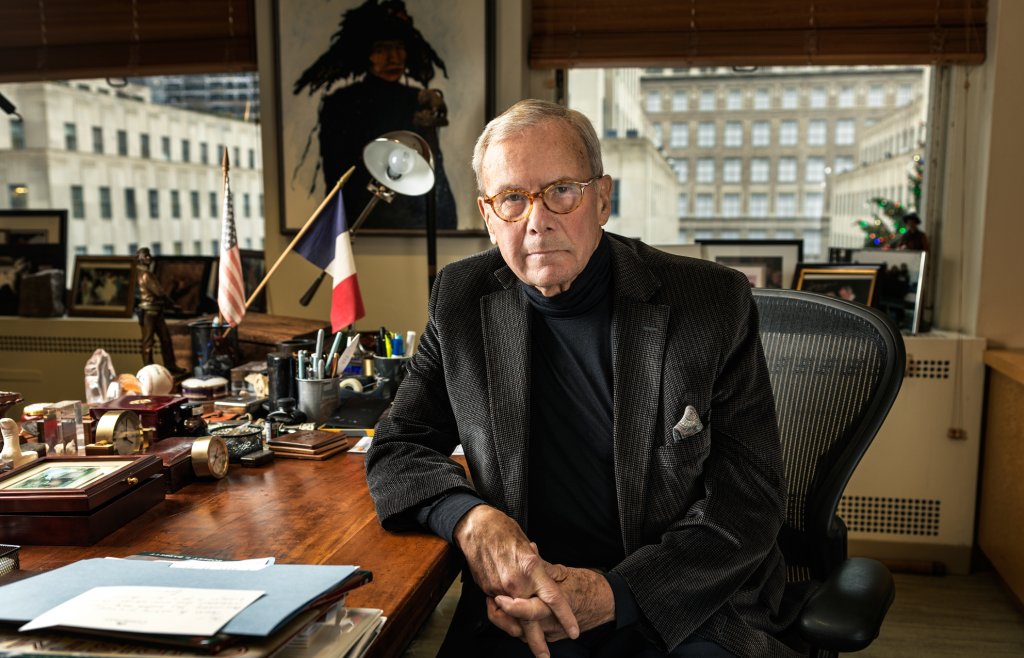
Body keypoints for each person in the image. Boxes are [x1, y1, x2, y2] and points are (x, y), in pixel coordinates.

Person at [365, 100, 798, 657]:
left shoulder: (710, 303)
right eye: (512, 199)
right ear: (488, 215)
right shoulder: (462, 297)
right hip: (526, 602)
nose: (537, 221)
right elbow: (398, 445)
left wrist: (613, 592)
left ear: (602, 199)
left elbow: (749, 503)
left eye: (561, 191)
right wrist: (471, 519)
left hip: (680, 605)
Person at [292, 0, 456, 230]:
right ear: (366, 53)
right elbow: (337, 175)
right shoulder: (340, 104)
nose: (393, 58)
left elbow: (431, 165)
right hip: (361, 217)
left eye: (399, 48)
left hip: (414, 218)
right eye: (382, 49)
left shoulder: (418, 100)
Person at [135, 248, 184, 374]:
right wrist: (173, 306)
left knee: (165, 340)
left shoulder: (146, 273)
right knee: (148, 342)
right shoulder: (145, 275)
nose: (149, 258)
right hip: (149, 312)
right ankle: (149, 370)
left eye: (149, 255)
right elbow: (160, 293)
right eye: (145, 256)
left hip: (157, 311)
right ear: (139, 258)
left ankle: (170, 365)